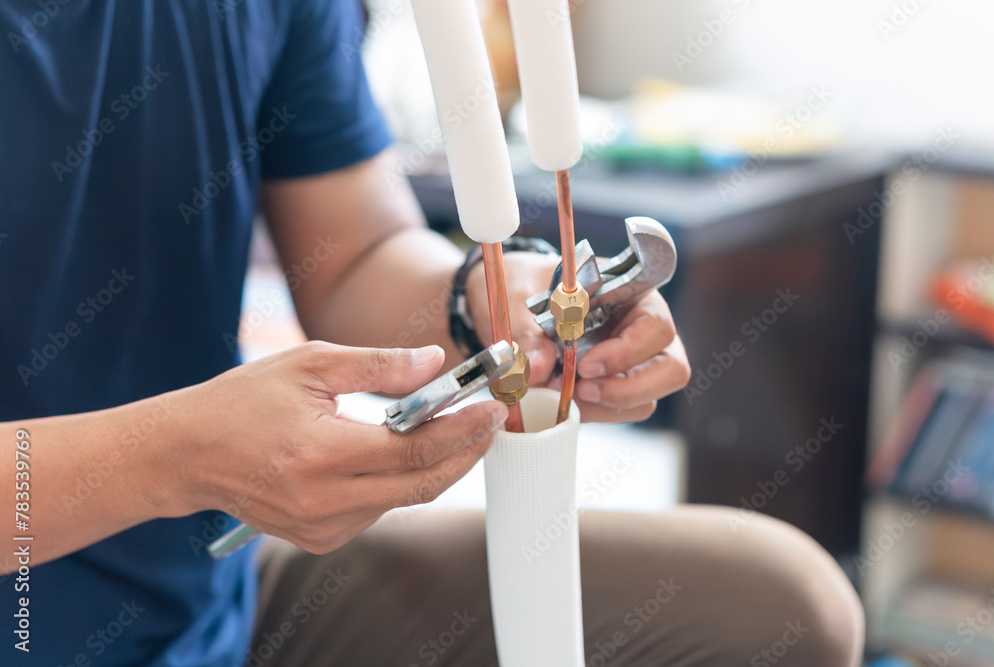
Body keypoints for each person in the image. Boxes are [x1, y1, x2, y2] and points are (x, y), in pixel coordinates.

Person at [0, 1, 863, 665]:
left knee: (783, 605)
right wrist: (171, 459)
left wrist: (489, 296)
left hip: (207, 592)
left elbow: (353, 255)